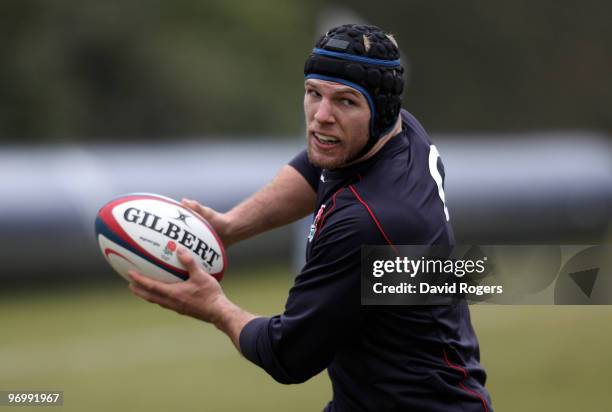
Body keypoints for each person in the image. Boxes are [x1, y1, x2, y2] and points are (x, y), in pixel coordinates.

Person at [129, 24, 493, 412]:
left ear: (383, 111)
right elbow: (315, 167)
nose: (321, 116)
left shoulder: (368, 220)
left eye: (345, 102)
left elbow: (288, 354)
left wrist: (214, 307)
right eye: (313, 93)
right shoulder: (402, 134)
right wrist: (230, 226)